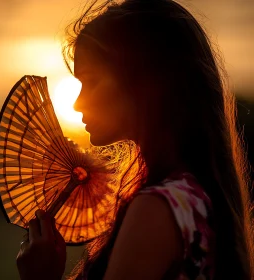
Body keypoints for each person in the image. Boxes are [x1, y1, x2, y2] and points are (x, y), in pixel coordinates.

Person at [16, 0, 254, 279]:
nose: (78, 103)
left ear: (144, 82)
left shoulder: (156, 209)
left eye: (91, 81)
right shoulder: (195, 197)